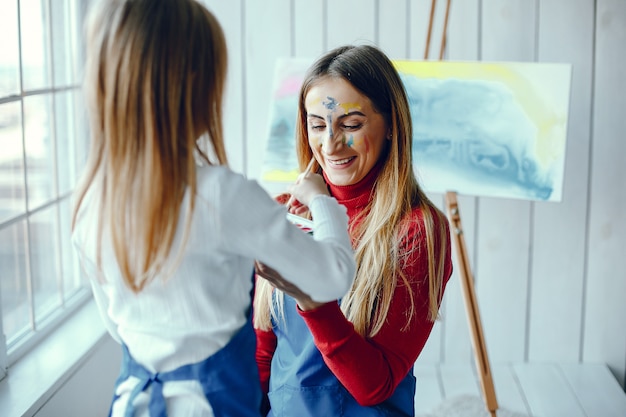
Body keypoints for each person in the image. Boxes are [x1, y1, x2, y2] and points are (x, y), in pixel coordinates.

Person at [71, 1, 356, 416]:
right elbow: (332, 277)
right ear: (194, 85)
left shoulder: (91, 199)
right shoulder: (223, 196)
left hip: (132, 400)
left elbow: (117, 326)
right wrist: (323, 202)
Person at [253, 44, 454, 416]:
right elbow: (263, 351)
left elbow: (372, 386)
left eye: (351, 124)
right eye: (317, 124)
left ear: (391, 123)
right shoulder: (284, 212)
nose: (330, 144)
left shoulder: (418, 231)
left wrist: (314, 303)